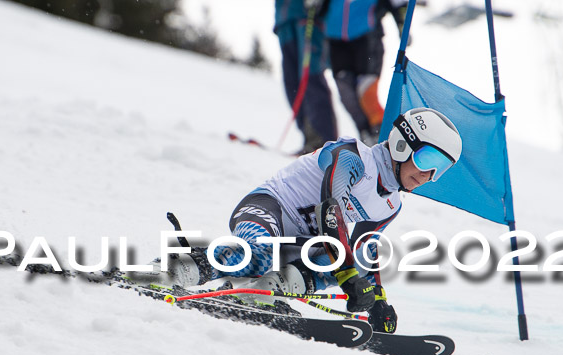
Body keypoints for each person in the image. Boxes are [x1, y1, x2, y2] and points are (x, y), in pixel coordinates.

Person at [146, 108, 462, 334]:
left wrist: (376, 300)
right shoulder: (353, 156)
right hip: (269, 210)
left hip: (301, 244)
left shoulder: (391, 204)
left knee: (362, 261)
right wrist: (347, 273)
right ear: (402, 144)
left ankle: (264, 292)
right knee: (261, 253)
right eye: (427, 160)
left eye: (441, 169)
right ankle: (174, 270)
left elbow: (366, 253)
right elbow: (331, 209)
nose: (428, 176)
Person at [322, 0, 409, 145]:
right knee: (346, 94)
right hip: (336, 40)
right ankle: (366, 135)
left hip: (367, 36)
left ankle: (385, 138)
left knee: (366, 91)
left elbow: (397, 3)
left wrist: (402, 24)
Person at [274, 0, 338, 154]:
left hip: (310, 15)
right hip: (285, 19)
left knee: (310, 77)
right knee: (292, 83)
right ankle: (310, 139)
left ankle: (323, 142)